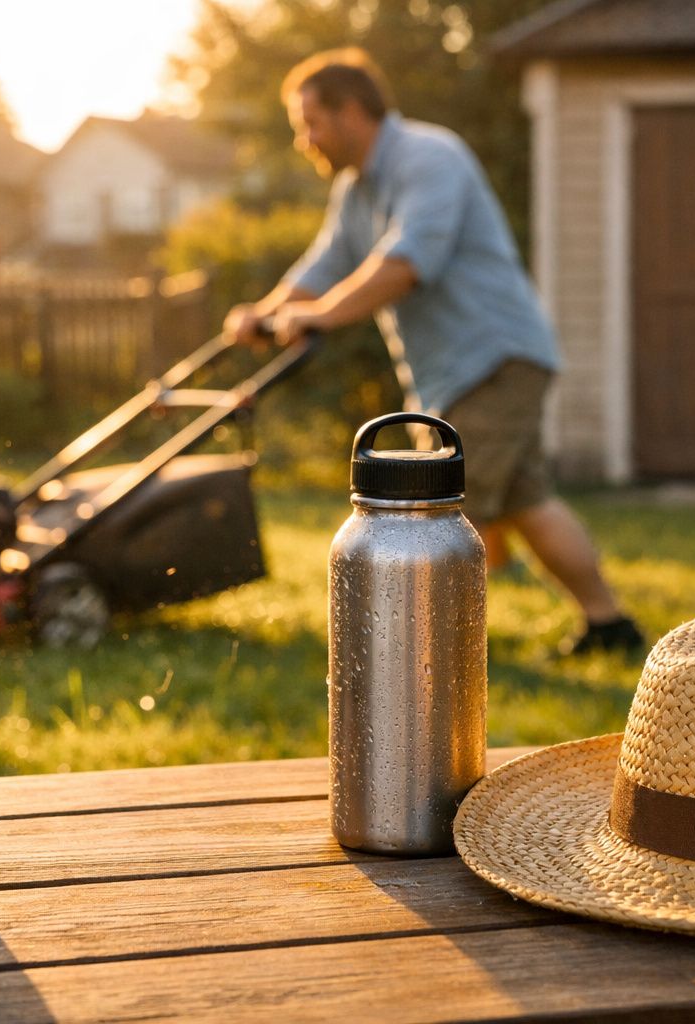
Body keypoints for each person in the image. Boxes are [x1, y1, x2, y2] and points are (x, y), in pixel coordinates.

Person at [224, 48, 644, 656]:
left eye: (309, 123)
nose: (304, 140)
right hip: (464, 369)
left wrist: (317, 316)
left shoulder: (428, 156)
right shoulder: (356, 187)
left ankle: (421, 656)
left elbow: (408, 262)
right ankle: (610, 625)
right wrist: (264, 311)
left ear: (349, 112)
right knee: (528, 501)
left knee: (434, 516)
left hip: (492, 356)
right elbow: (322, 265)